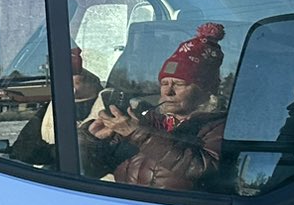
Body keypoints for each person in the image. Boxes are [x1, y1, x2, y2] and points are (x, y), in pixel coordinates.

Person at [87, 22, 228, 191]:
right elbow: (90, 169)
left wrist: (139, 135)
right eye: (164, 83)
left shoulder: (219, 126)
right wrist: (92, 139)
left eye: (179, 84)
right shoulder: (146, 119)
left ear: (205, 89)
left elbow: (205, 169)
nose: (168, 92)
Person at [7, 52, 112, 176]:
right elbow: (22, 148)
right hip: (54, 179)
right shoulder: (51, 108)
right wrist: (54, 152)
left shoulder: (110, 109)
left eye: (75, 74)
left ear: (93, 83)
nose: (67, 78)